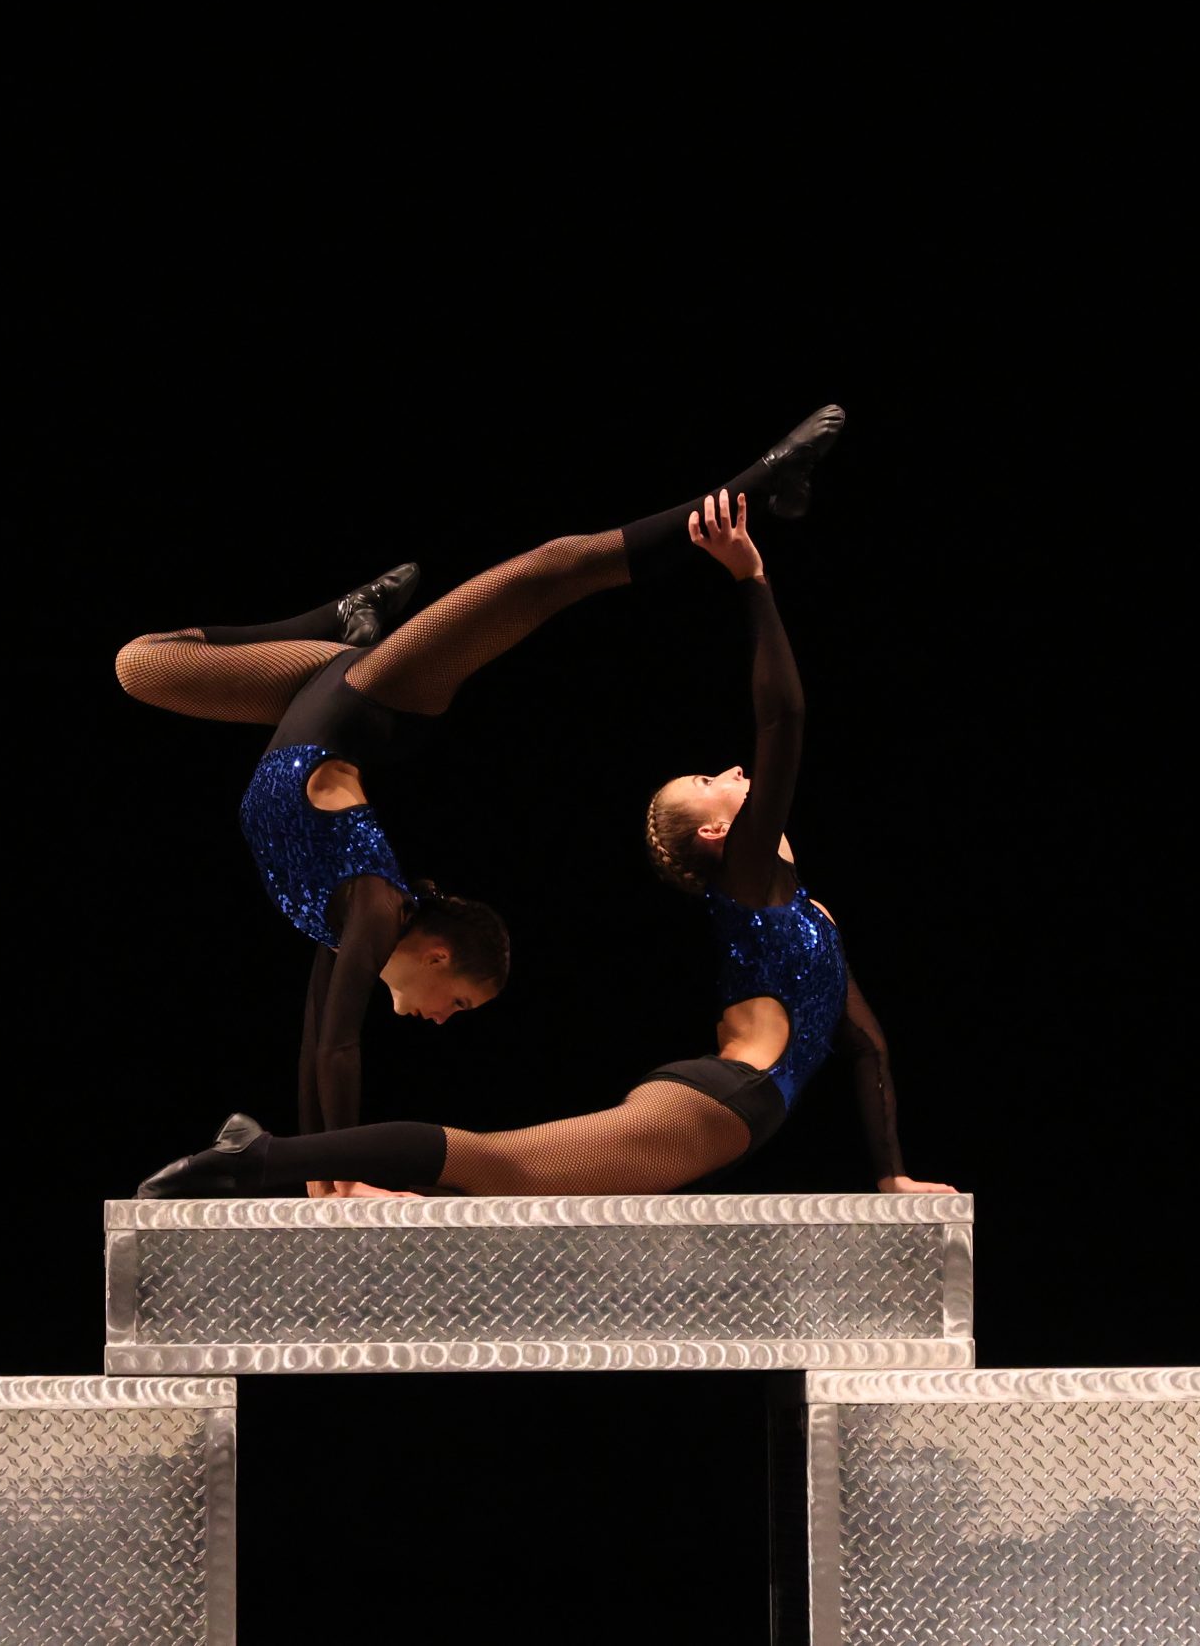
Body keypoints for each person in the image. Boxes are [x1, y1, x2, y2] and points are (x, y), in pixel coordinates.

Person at [136, 481, 954, 1198]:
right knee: (499, 1167)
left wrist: (892, 1174)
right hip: (725, 1099)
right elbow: (784, 721)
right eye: (714, 778)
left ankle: (276, 1160)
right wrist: (753, 579)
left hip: (732, 1096)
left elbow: (868, 1049)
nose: (736, 770)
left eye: (713, 774)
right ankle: (265, 1158)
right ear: (719, 833)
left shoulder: (810, 915)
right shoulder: (745, 878)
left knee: (497, 1172)